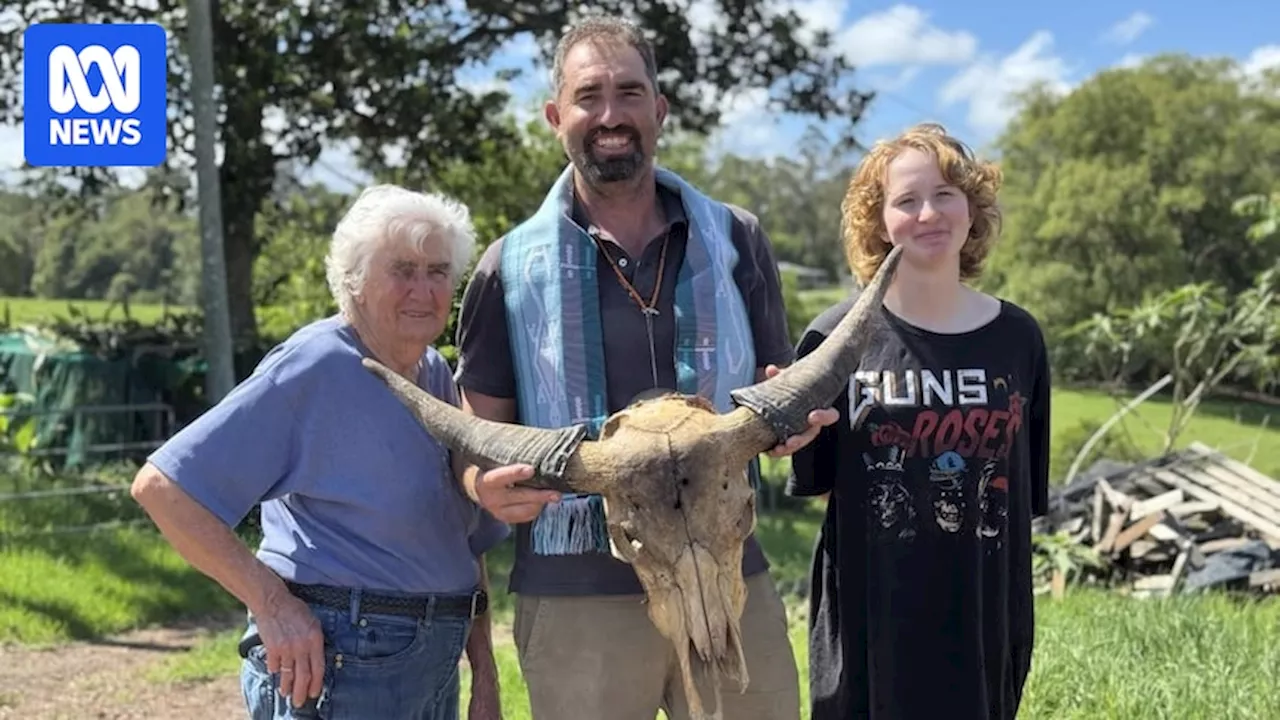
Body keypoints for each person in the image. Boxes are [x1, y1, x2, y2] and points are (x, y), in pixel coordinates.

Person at [451, 15, 834, 720]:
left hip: (727, 577)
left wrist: (790, 418)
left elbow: (774, 378)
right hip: (577, 597)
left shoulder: (737, 238)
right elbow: (475, 439)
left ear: (658, 109)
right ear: (554, 116)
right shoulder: (505, 267)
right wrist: (485, 485)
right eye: (588, 95)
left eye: (629, 92)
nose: (610, 115)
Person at [130, 185, 512, 720]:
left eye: (438, 271)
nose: (423, 291)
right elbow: (163, 489)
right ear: (352, 278)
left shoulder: (434, 374)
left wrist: (486, 673)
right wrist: (272, 605)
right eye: (402, 269)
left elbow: (463, 541)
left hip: (429, 668)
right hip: (340, 664)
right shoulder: (316, 365)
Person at [786, 122, 1052, 719]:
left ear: (973, 208)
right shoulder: (832, 339)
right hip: (871, 621)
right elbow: (817, 479)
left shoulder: (1019, 338)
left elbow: (1020, 490)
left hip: (983, 614)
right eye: (906, 200)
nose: (928, 213)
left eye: (945, 194)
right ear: (878, 221)